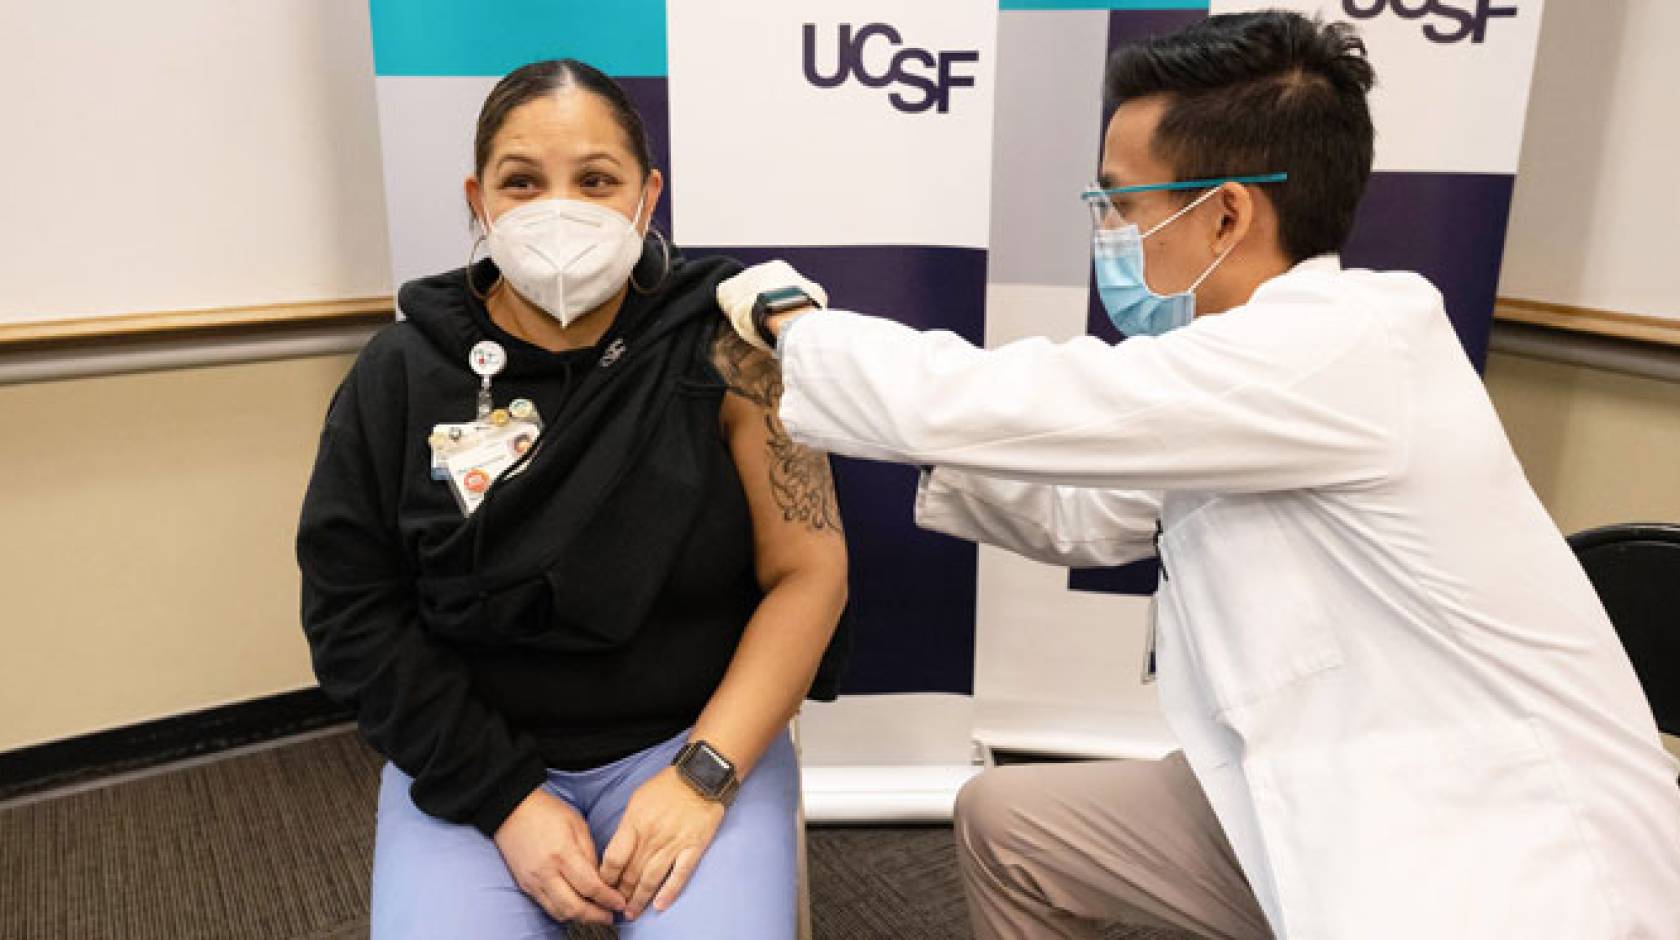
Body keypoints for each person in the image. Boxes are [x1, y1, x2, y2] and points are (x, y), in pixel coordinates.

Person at [715, 11, 1680, 939]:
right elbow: (1087, 514)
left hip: (1489, 844)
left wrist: (796, 328)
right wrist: (861, 423)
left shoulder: (1347, 344)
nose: (1108, 231)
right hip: (1312, 784)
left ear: (1225, 214)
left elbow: (1020, 398)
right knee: (1011, 825)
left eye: (1121, 203)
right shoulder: (1246, 385)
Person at [296, 59, 848, 939]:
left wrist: (702, 777)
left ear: (647, 195)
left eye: (596, 180)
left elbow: (808, 573)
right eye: (522, 182)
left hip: (690, 740)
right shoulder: (396, 375)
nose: (560, 208)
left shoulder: (729, 349)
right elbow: (354, 614)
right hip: (471, 756)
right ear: (478, 200)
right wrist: (505, 799)